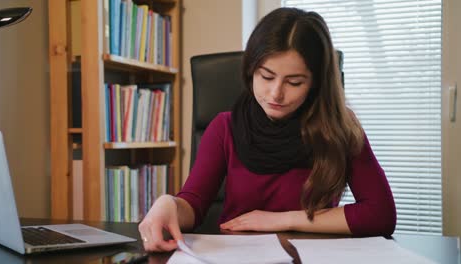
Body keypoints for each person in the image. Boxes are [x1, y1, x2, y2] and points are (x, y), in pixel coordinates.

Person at [138, 7, 396, 252]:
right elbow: (192, 205)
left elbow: (380, 214)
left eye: (294, 82)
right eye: (266, 76)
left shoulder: (340, 127)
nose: (276, 94)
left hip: (312, 255)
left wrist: (283, 220)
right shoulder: (224, 127)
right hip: (237, 256)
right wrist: (168, 203)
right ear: (251, 69)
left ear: (316, 83)